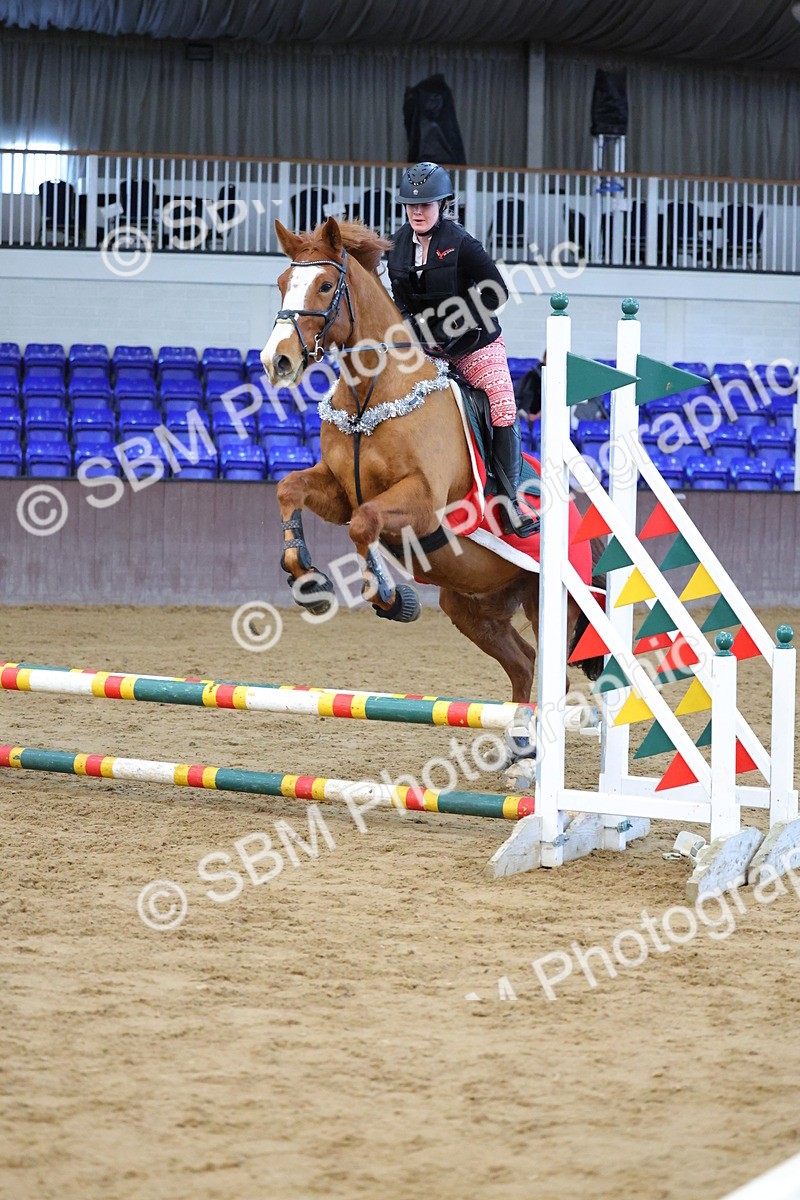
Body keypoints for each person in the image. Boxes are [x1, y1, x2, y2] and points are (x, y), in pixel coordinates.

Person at [386, 161, 536, 537]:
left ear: (443, 205)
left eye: (426, 205)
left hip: (473, 343)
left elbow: (495, 291)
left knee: (502, 401)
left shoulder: (462, 244)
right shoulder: (398, 246)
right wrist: (407, 327)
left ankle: (510, 498)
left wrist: (451, 327)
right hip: (423, 349)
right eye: (411, 205)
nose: (417, 212)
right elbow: (399, 299)